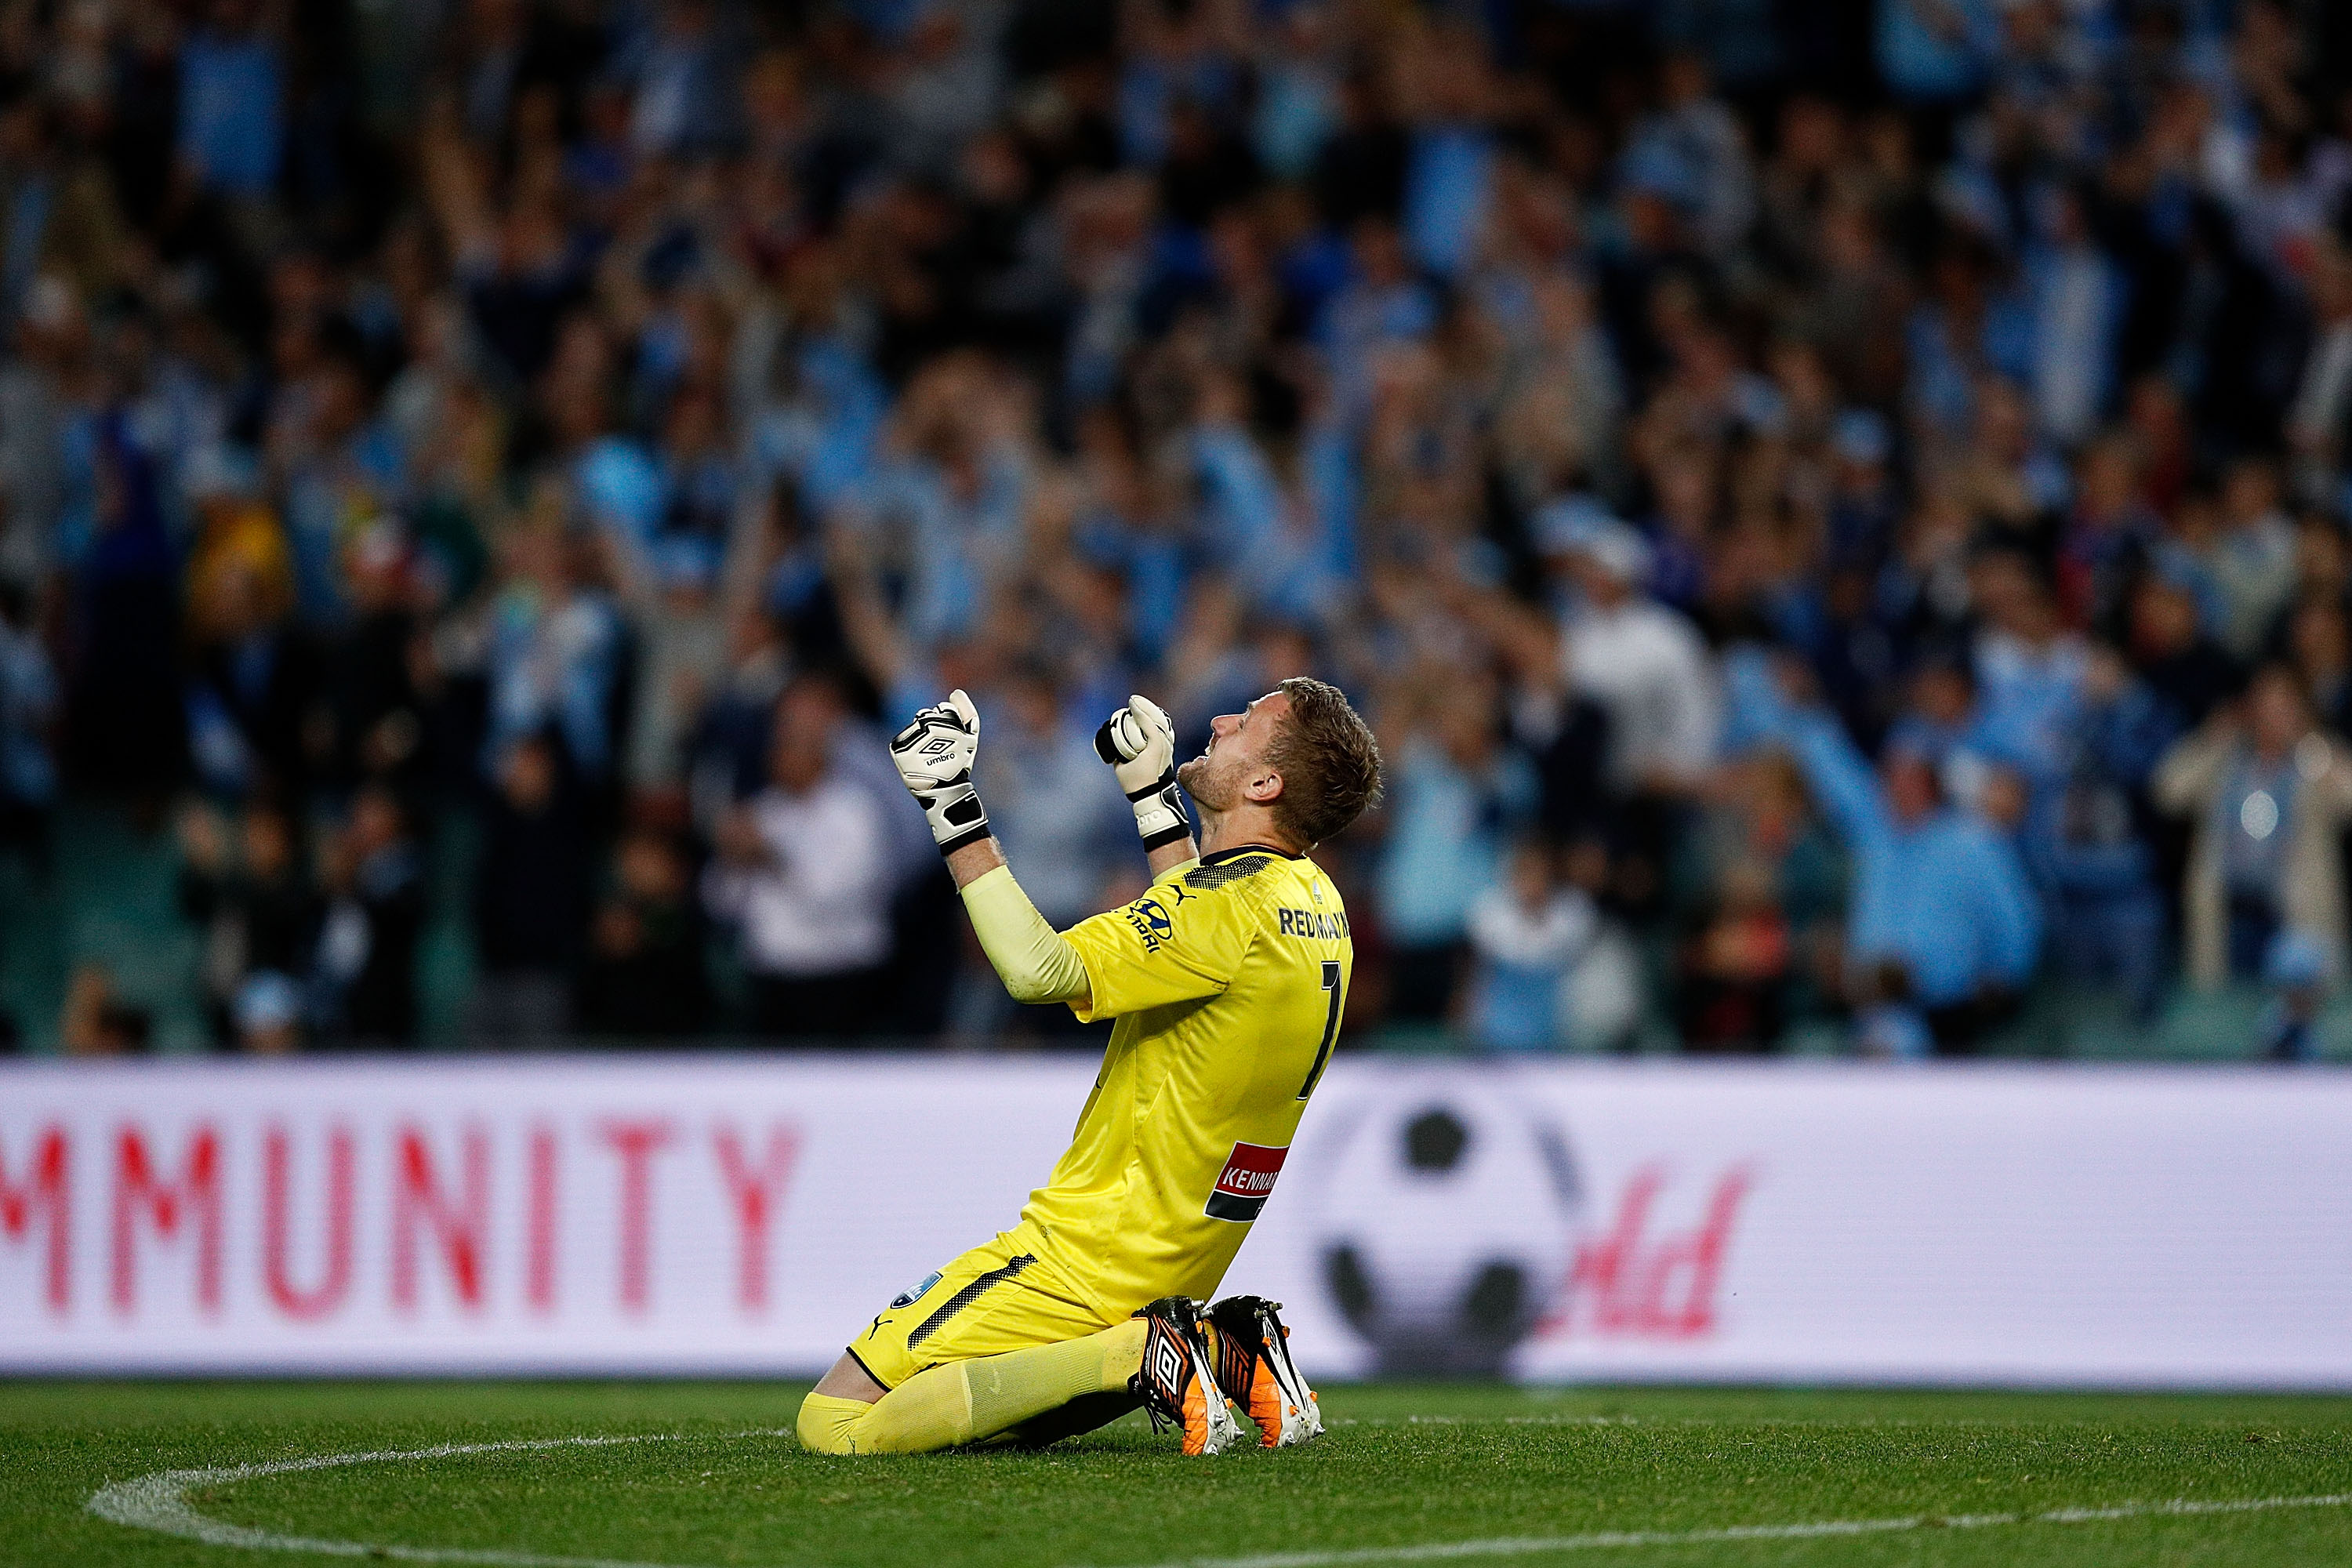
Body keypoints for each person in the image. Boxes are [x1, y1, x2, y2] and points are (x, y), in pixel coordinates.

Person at [796, 677, 1382, 1457]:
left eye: (1247, 722)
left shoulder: (1226, 911)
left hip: (1082, 1260)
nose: (1220, 718)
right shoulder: (1315, 902)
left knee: (832, 1422)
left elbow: (1037, 968)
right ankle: (1213, 1343)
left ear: (1264, 782)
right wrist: (1150, 797)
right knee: (997, 1418)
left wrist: (949, 801)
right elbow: (1195, 930)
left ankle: (1152, 1351)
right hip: (1173, 1263)